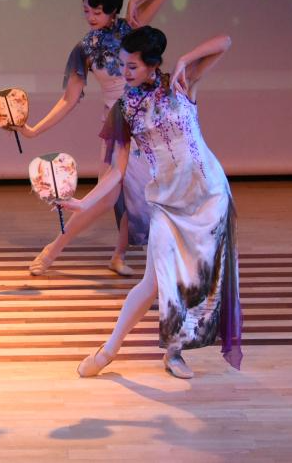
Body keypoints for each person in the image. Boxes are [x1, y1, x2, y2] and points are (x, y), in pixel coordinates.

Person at [61, 27, 242, 379]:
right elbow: (117, 170)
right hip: (167, 203)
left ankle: (174, 353)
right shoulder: (124, 108)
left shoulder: (181, 83)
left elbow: (225, 42)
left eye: (132, 66)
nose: (124, 72)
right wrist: (85, 203)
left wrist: (186, 59)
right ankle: (108, 350)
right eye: (122, 65)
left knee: (193, 280)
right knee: (153, 282)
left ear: (152, 64)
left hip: (209, 195)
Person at [20, 0, 171, 277]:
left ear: (113, 10)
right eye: (86, 11)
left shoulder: (133, 30)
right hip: (117, 123)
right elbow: (69, 99)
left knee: (138, 194)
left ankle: (119, 255)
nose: (90, 17)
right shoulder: (85, 48)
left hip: (148, 120)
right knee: (106, 197)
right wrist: (35, 130)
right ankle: (52, 250)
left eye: (97, 12)